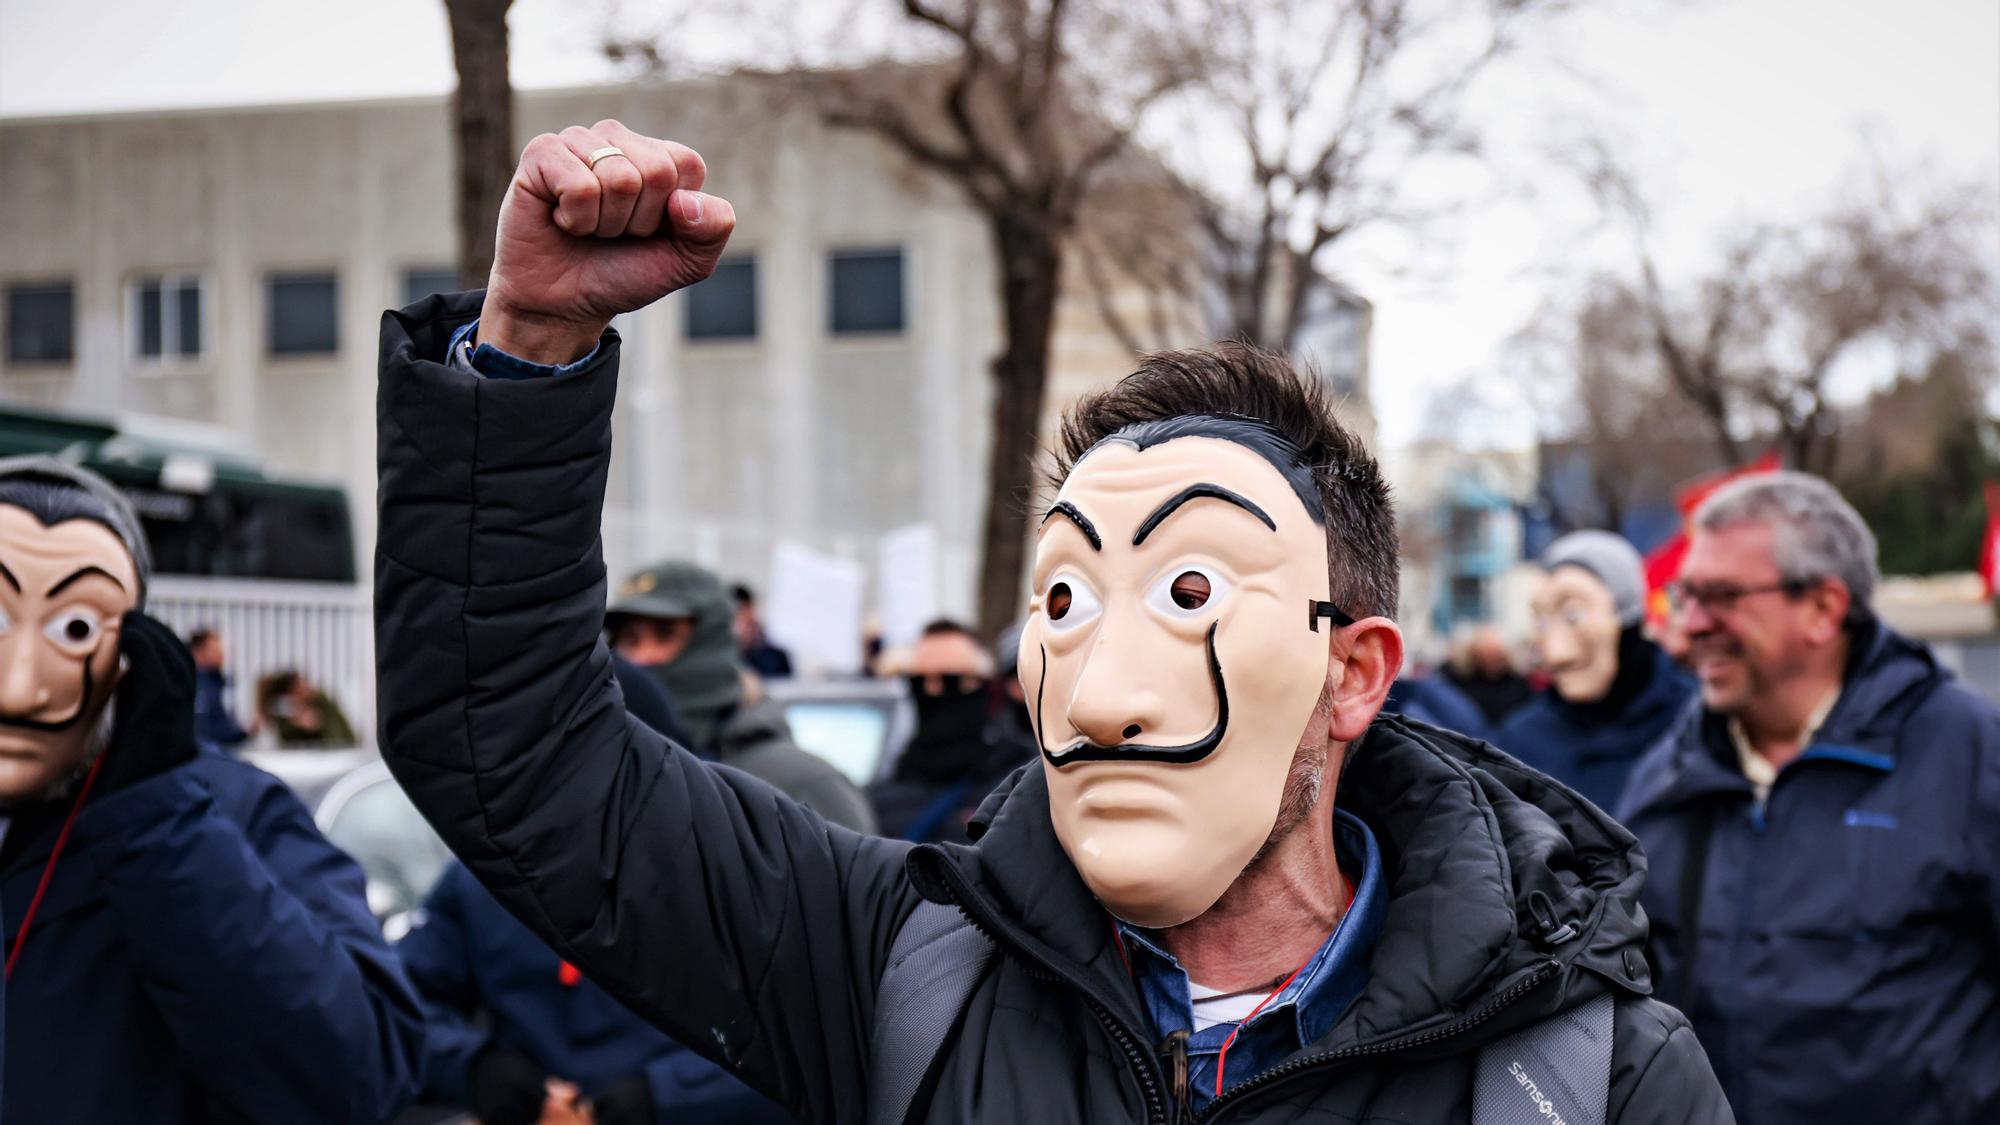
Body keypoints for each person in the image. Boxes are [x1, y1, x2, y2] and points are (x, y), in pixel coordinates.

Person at [372, 120, 1727, 1123]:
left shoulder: (1589, 1079)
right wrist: (528, 358)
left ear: (1353, 671)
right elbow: (515, 750)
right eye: (1064, 599)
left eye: (1192, 591)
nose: (1103, 686)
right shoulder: (899, 969)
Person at [0, 456, 424, 1123]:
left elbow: (352, 1078)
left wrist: (160, 822)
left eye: (74, 628)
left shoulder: (225, 815)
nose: (22, 684)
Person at [1620, 472, 2000, 1124]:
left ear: (1824, 608)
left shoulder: (1970, 754)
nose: (1692, 625)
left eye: (1722, 596)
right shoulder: (1667, 776)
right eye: (1687, 595)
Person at [400, 861, 796, 1125]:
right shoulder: (479, 872)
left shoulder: (713, 848)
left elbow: (803, 1035)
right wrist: (477, 1069)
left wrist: (667, 1096)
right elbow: (400, 1008)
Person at [606, 558, 876, 833]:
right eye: (630, 640)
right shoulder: (609, 773)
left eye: (666, 636)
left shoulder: (802, 785)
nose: (643, 657)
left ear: (711, 641)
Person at [1496, 531, 1696, 812]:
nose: (1556, 654)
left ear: (1627, 616)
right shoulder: (1521, 740)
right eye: (1541, 621)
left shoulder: (1696, 721)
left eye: (1573, 616)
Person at [869, 619, 1037, 842]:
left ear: (984, 686)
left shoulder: (1023, 781)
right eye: (920, 682)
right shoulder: (881, 791)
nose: (933, 691)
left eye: (951, 682)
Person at [1442, 624, 1534, 726]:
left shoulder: (1520, 683)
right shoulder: (1460, 681)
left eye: (1497, 656)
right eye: (1486, 656)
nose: (1492, 661)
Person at [187, 626, 253, 748]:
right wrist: (243, 733)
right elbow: (207, 732)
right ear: (199, 651)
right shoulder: (198, 686)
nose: (222, 654)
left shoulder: (216, 683)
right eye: (215, 649)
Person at [258, 668, 359, 747]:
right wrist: (296, 724)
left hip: (335, 753)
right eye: (299, 685)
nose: (305, 686)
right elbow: (286, 741)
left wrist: (319, 724)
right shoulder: (285, 711)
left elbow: (342, 737)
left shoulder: (320, 700)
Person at [732, 583, 793, 679]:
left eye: (748, 610)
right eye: (740, 613)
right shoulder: (722, 657)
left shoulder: (777, 655)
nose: (746, 618)